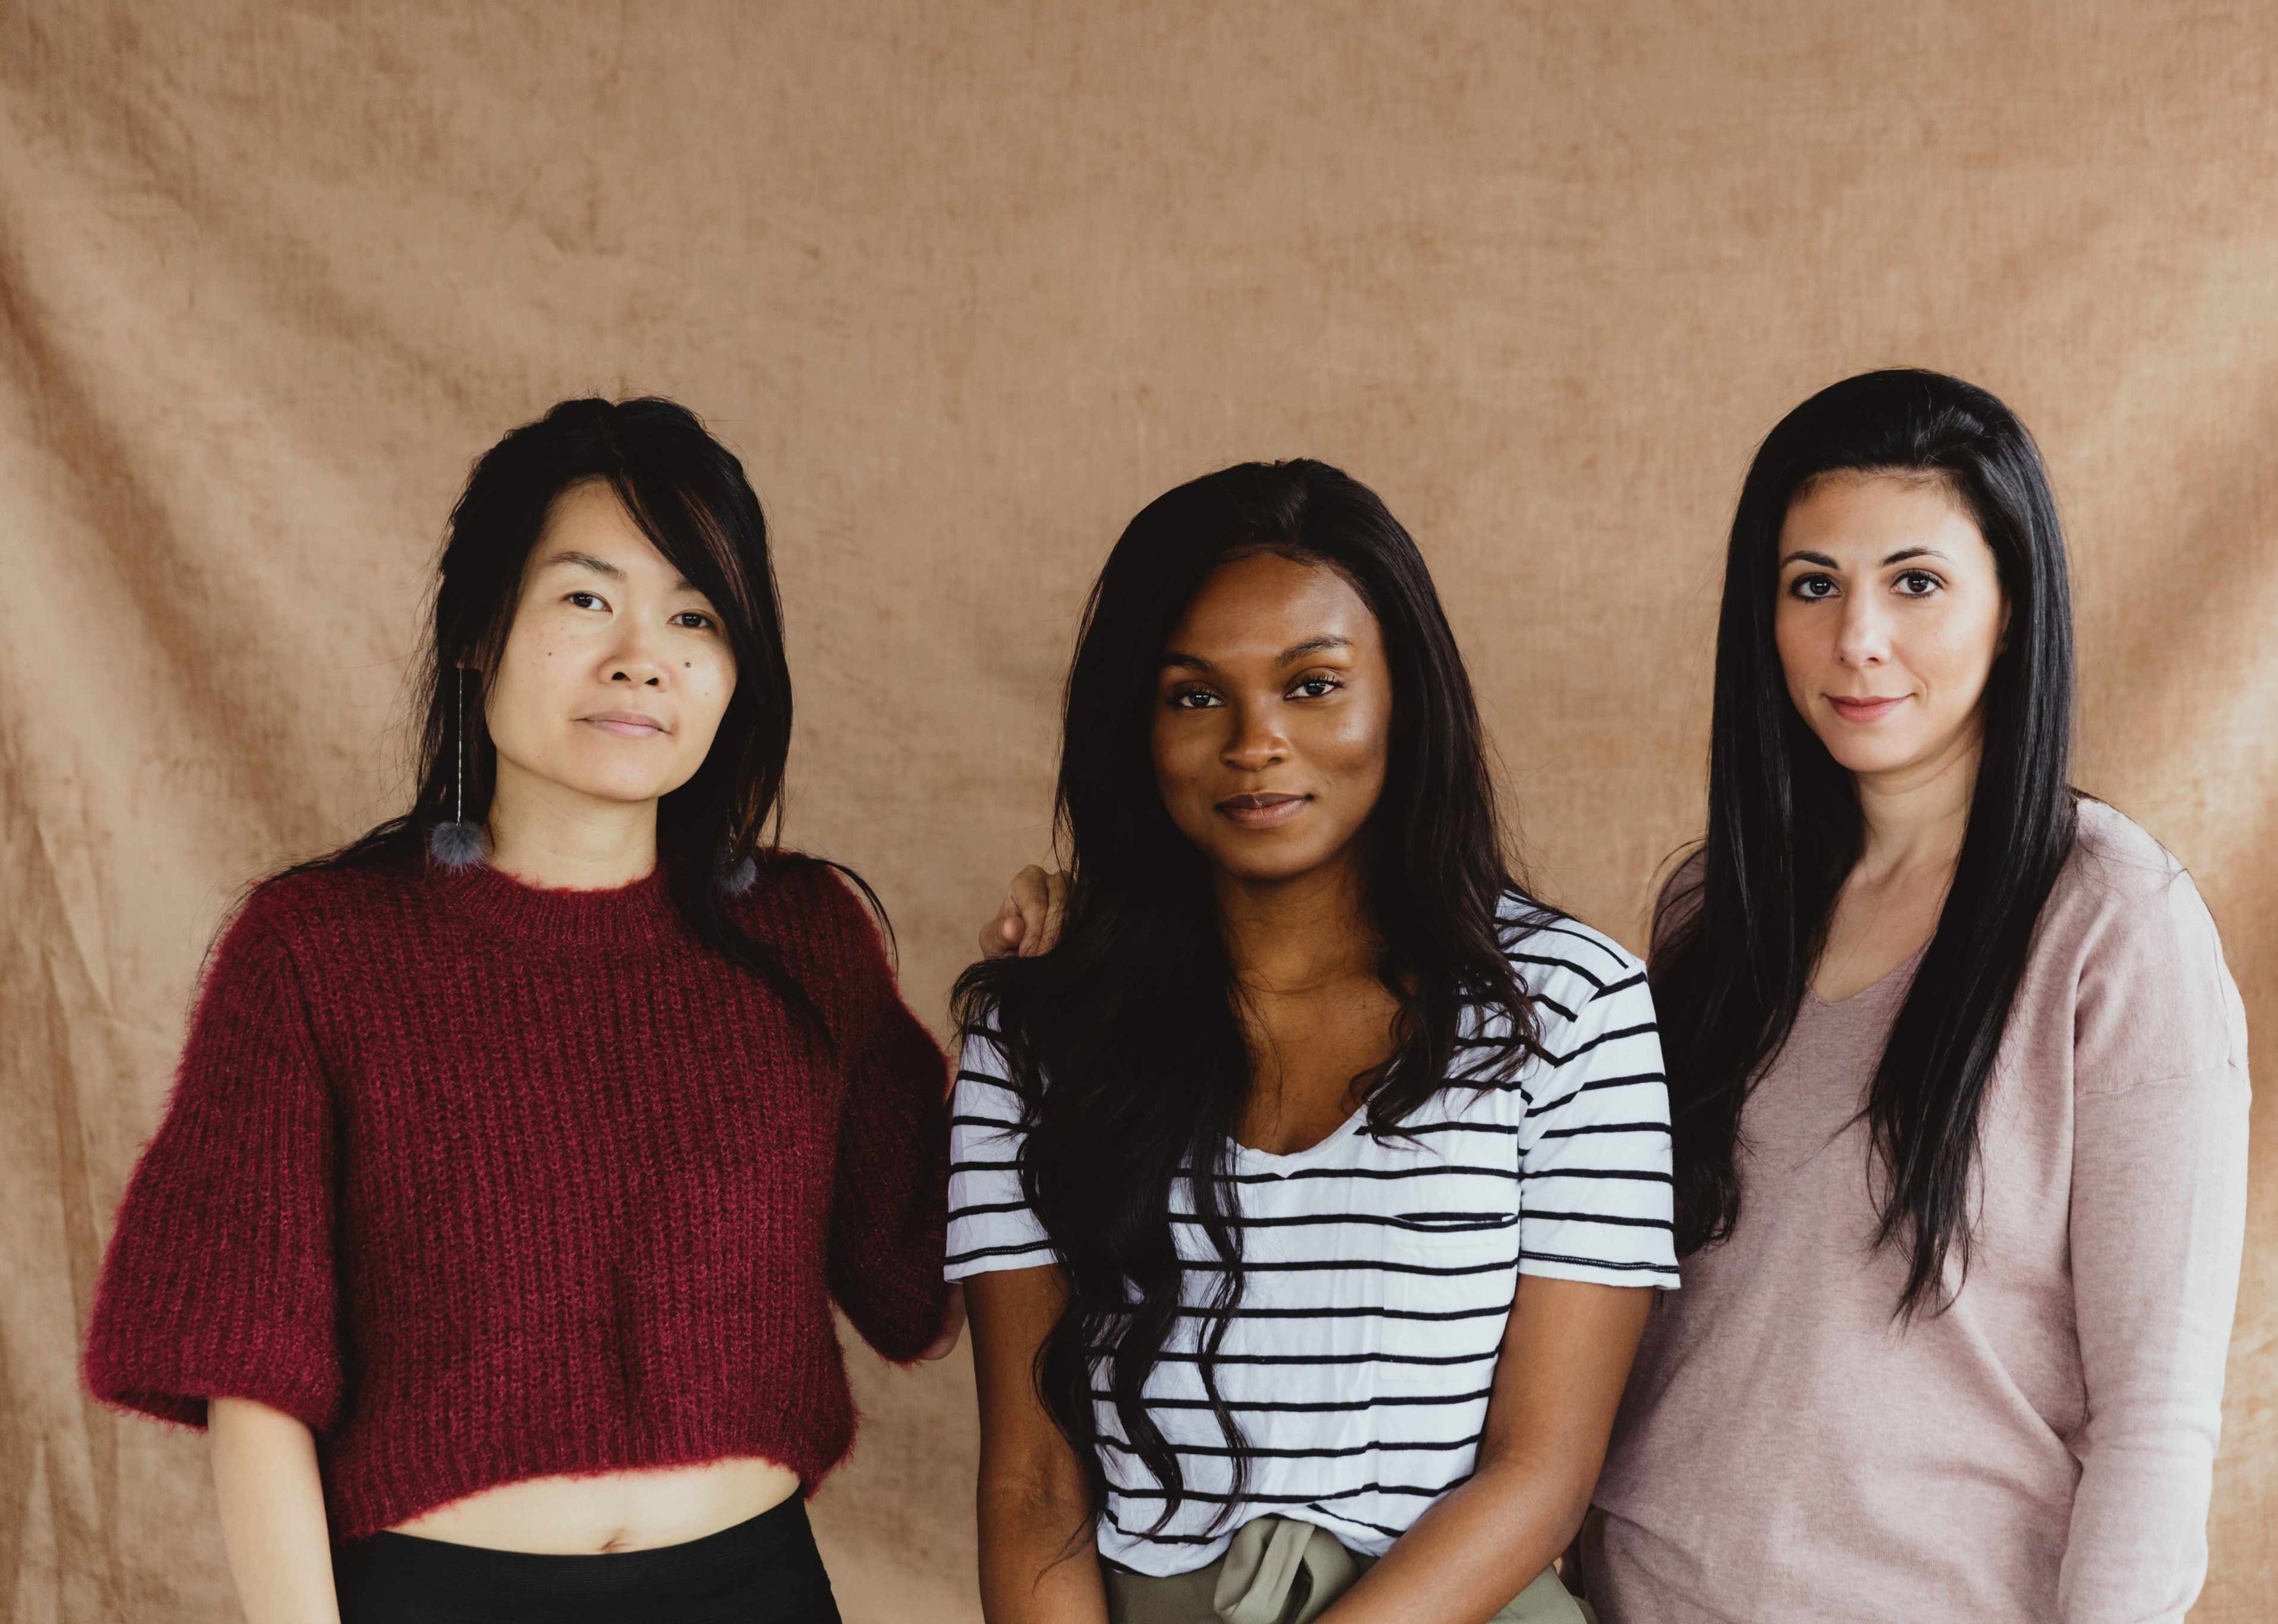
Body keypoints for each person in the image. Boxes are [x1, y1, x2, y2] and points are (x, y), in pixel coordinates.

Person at [84, 397, 959, 1624]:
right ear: (479, 633)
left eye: (696, 615)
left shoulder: (804, 941)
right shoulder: (317, 955)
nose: (642, 657)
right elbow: (255, 1383)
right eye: (588, 599)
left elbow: (928, 1273)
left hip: (757, 1589)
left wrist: (1038, 1022)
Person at [953, 459, 1674, 1624]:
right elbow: (1030, 1480)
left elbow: (1542, 1473)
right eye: (1195, 696)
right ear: (1133, 726)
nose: (1255, 743)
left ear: (1405, 697)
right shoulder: (1038, 1029)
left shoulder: (1573, 1008)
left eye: (1314, 685)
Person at [1586, 370, 2249, 1621]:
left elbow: (2157, 1417)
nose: (1858, 639)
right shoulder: (1711, 920)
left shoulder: (2114, 925)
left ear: (2012, 606)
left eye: (1917, 580)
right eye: (1812, 583)